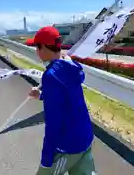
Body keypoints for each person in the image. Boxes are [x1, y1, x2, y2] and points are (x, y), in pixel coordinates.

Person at [28, 26, 96, 175]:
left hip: (67, 145)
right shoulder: (71, 66)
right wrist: (40, 95)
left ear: (44, 47)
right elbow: (66, 97)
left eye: (37, 47)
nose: (36, 51)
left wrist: (46, 159)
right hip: (85, 137)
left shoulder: (50, 75)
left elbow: (54, 122)